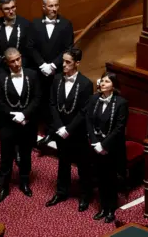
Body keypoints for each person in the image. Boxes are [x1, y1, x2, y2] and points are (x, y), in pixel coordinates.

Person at [45, 47, 94, 212]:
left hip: (77, 132)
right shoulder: (57, 79)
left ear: (77, 63)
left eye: (68, 62)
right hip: (60, 131)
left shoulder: (86, 84)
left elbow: (83, 111)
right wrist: (59, 127)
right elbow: (52, 104)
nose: (63, 65)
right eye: (63, 61)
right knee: (63, 162)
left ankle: (85, 195)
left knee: (83, 165)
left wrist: (69, 129)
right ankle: (61, 192)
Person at [0, 48, 41, 204]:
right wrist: (13, 115)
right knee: (6, 156)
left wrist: (24, 114)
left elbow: (37, 98)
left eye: (18, 59)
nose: (16, 63)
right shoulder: (0, 78)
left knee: (26, 154)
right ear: (7, 62)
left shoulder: (32, 75)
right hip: (8, 124)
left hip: (27, 123)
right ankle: (4, 187)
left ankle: (24, 183)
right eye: (12, 61)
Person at [87, 72, 129, 223]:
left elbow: (119, 128)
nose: (102, 83)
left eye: (107, 81)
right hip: (96, 145)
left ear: (113, 86)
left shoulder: (121, 103)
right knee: (100, 177)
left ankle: (111, 209)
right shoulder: (94, 99)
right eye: (102, 80)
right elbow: (89, 121)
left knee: (110, 179)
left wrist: (104, 145)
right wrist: (95, 142)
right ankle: (103, 207)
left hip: (112, 148)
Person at [31, 0, 74, 138]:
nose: (54, 9)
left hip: (57, 72)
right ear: (44, 7)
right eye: (51, 6)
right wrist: (42, 65)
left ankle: (52, 132)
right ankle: (38, 131)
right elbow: (31, 47)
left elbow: (68, 49)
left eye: (56, 5)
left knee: (54, 102)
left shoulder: (66, 24)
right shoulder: (35, 24)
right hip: (39, 71)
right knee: (38, 100)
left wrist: (53, 66)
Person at [0, 0, 33, 76]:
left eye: (13, 7)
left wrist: (19, 68)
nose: (11, 11)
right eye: (7, 9)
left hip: (20, 70)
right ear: (1, 10)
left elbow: (29, 50)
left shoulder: (25, 24)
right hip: (0, 71)